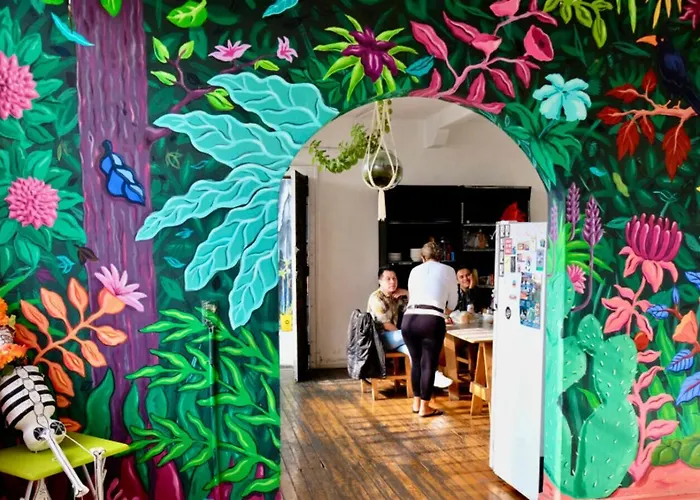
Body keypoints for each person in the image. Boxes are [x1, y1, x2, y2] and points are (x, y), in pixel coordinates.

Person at [367, 268, 452, 389]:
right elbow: (386, 325)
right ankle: (432, 373)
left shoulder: (397, 296)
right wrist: (408, 336)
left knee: (414, 351)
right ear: (380, 281)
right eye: (388, 279)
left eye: (394, 278)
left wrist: (407, 293)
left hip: (395, 338)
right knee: (417, 337)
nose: (392, 282)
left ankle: (429, 378)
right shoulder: (376, 298)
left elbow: (416, 309)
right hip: (380, 339)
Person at [402, 242, 458, 417]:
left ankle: (416, 403)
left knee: (416, 362)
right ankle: (425, 407)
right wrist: (444, 312)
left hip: (409, 319)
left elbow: (412, 296)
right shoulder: (448, 270)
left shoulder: (414, 271)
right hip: (431, 320)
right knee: (428, 364)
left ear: (422, 257)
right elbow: (453, 302)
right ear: (441, 257)